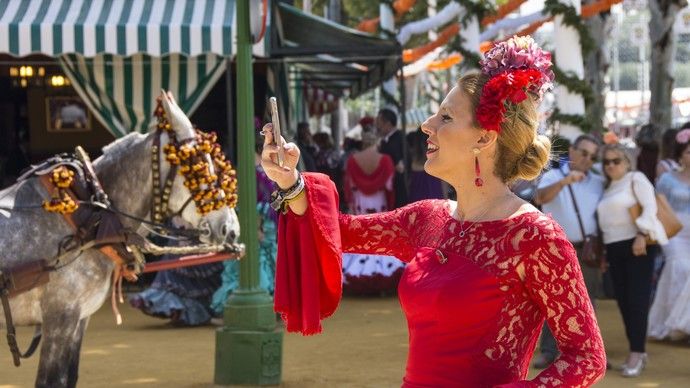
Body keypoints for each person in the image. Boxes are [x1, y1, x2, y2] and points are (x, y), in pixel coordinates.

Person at [262, 36, 605, 386]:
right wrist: (290, 181)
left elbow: (586, 356)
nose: (427, 125)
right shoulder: (427, 218)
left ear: (484, 139)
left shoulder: (535, 237)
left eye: (445, 117)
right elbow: (338, 230)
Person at [531, 134, 605, 369]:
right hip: (558, 249)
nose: (587, 159)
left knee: (587, 302)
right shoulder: (554, 176)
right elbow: (540, 197)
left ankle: (583, 353)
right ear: (572, 151)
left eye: (592, 156)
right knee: (554, 301)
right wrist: (565, 182)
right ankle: (549, 351)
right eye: (584, 153)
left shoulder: (597, 181)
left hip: (587, 249)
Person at [597, 143, 668, 377]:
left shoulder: (636, 178)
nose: (610, 166)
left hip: (638, 245)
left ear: (627, 161)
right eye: (606, 161)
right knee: (624, 302)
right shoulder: (608, 188)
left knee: (637, 302)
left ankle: (637, 353)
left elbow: (650, 207)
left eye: (616, 160)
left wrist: (641, 234)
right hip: (614, 248)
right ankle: (637, 351)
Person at [210, 137, 278, 316]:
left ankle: (265, 304)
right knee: (261, 261)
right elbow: (258, 199)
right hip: (258, 222)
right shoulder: (259, 167)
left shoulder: (252, 166)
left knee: (263, 260)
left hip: (260, 222)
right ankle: (263, 304)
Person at [341, 130, 403, 295]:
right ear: (377, 142)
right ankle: (381, 274)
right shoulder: (385, 160)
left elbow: (350, 185)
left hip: (361, 201)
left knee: (361, 233)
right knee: (378, 232)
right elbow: (390, 185)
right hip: (378, 200)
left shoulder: (353, 160)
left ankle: (356, 273)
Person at [648, 128, 690, 341]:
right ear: (681, 154)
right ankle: (671, 325)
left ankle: (682, 325)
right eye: (689, 151)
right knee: (680, 268)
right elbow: (656, 206)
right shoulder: (668, 179)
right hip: (673, 232)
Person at [377, 108, 408, 208]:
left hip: (398, 188)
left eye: (379, 123)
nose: (378, 127)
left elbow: (402, 166)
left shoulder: (398, 139)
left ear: (388, 123)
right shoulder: (386, 140)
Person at [406, 127, 445, 202]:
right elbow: (443, 184)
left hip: (416, 199)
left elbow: (409, 183)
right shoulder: (436, 159)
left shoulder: (412, 161)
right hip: (435, 198)